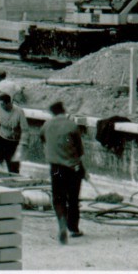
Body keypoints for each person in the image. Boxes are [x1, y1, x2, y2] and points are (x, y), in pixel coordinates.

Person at [41, 100, 85, 244]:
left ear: (52, 112)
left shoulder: (47, 125)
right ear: (63, 110)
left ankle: (61, 224)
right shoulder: (72, 125)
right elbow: (80, 150)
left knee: (58, 198)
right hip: (73, 168)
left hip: (56, 168)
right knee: (73, 199)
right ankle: (73, 228)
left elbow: (42, 137)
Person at [0, 88, 22, 170]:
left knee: (11, 161)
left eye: (2, 104)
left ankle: (13, 174)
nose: (0, 106)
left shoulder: (18, 111)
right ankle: (3, 165)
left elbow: (24, 128)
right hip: (2, 136)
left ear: (8, 103)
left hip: (13, 139)